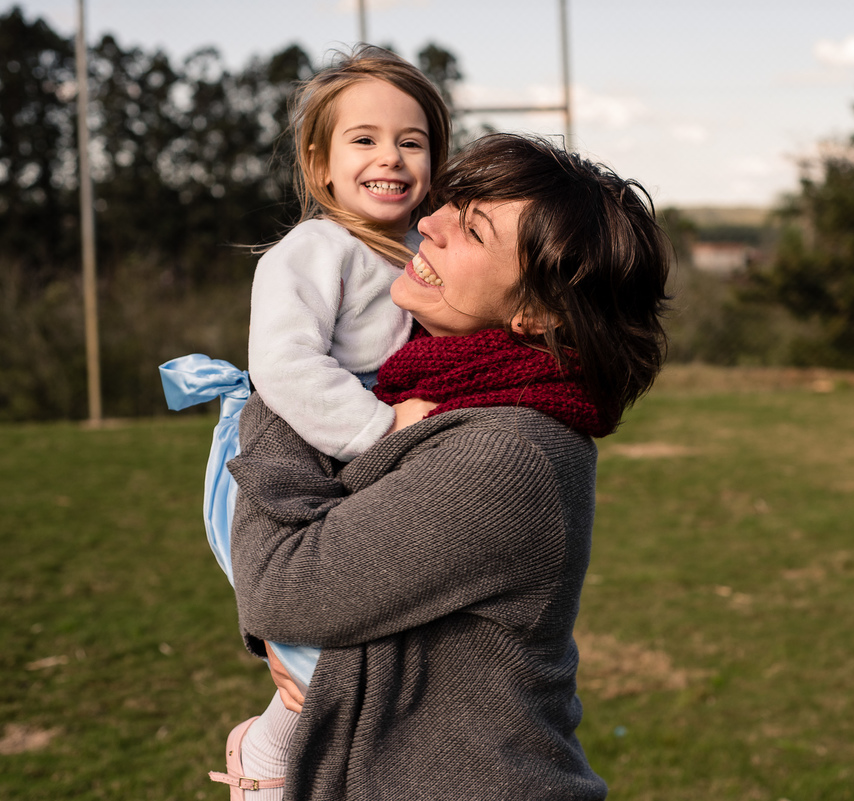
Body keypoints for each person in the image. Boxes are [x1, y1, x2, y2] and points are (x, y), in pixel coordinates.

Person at [221, 132, 672, 800]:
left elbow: (281, 587)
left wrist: (284, 378)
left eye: (472, 228)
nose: (427, 221)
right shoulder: (430, 394)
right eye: (448, 203)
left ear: (536, 311)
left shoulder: (507, 453)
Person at [156, 44, 451, 799]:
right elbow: (284, 367)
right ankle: (267, 765)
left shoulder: (419, 249)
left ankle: (277, 750)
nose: (390, 156)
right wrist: (382, 431)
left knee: (356, 647)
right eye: (365, 139)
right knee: (320, 658)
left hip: (349, 460)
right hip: (278, 467)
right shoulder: (315, 248)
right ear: (319, 164)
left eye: (410, 141)